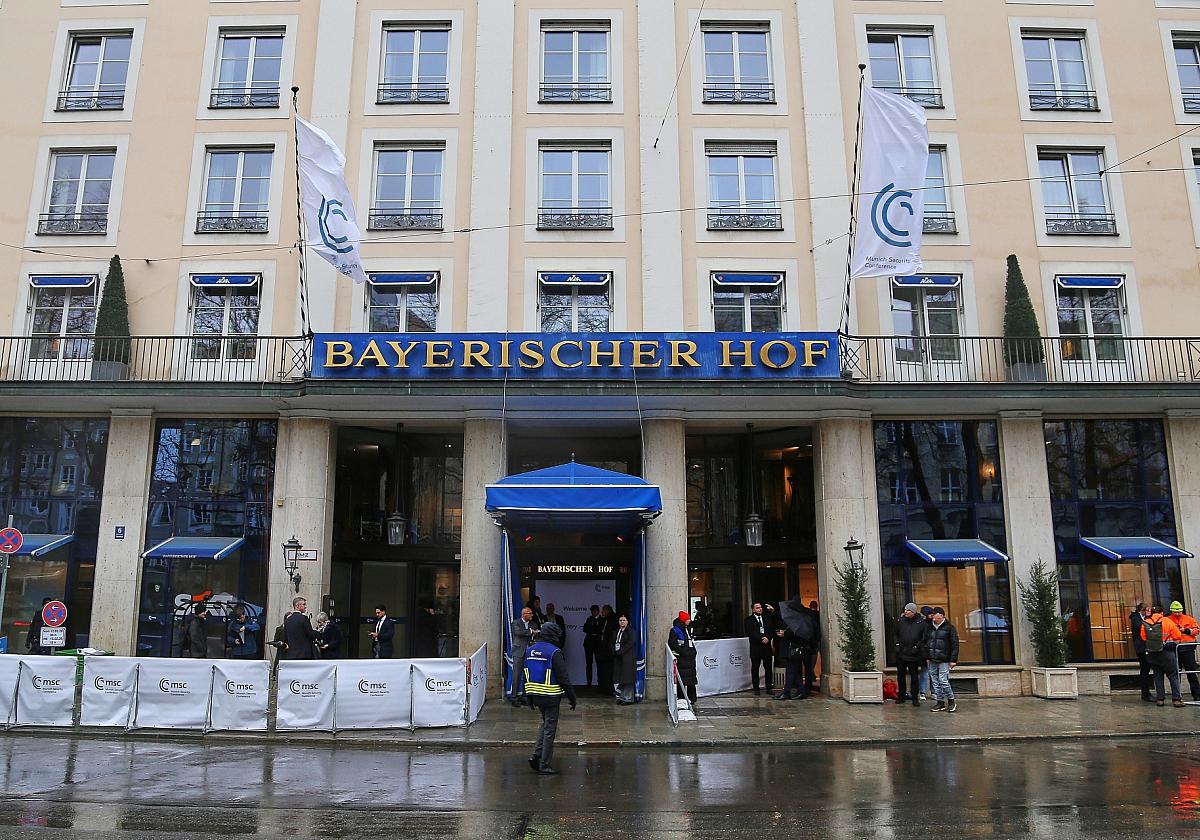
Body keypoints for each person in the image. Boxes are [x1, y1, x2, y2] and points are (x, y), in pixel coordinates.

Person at [524, 621, 576, 775]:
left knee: (545, 723)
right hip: (551, 696)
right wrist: (572, 697)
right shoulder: (555, 652)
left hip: (535, 694)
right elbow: (563, 677)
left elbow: (525, 673)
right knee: (550, 729)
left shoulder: (530, 650)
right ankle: (544, 764)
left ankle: (536, 755)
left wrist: (528, 697)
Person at [774, 599, 820, 701]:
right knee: (793, 671)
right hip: (793, 649)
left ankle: (787, 692)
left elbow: (799, 635)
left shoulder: (801, 620)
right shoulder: (795, 619)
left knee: (791, 671)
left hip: (795, 649)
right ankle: (800, 691)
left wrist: (785, 634)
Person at [1141, 604, 1185, 707]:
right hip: (1167, 652)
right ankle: (1176, 699)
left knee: (1157, 676)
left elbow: (1143, 637)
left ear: (1152, 613)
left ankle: (1160, 699)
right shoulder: (1167, 621)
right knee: (1173, 676)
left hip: (1152, 653)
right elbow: (1177, 636)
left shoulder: (1146, 622)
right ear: (1162, 613)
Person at [924, 607, 959, 712]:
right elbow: (926, 642)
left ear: (941, 615)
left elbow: (955, 644)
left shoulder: (949, 628)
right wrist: (927, 656)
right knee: (935, 682)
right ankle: (940, 702)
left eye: (934, 614)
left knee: (943, 681)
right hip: (932, 659)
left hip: (944, 659)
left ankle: (951, 701)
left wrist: (953, 660)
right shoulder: (929, 627)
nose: (932, 616)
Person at [895, 602, 928, 707]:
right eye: (905, 610)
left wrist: (917, 647)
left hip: (913, 654)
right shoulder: (900, 621)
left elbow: (924, 637)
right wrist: (897, 644)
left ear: (913, 612)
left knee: (914, 676)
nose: (906, 612)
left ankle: (914, 697)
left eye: (908, 610)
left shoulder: (921, 622)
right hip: (901, 653)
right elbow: (896, 634)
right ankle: (901, 695)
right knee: (900, 675)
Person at [1168, 601, 1200, 702]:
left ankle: (1197, 695)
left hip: (1188, 648)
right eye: (1175, 612)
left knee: (1191, 672)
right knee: (1176, 673)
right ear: (1171, 611)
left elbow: (1197, 630)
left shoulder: (1189, 619)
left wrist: (1186, 630)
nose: (1177, 614)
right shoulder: (1168, 620)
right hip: (1174, 649)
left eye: (1179, 612)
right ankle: (1177, 696)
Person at [668, 610, 698, 706]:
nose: (689, 620)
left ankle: (692, 698)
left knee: (691, 680)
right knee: (682, 680)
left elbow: (690, 642)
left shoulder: (687, 629)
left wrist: (693, 652)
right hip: (682, 658)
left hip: (689, 658)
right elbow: (673, 644)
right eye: (688, 619)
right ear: (683, 620)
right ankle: (682, 699)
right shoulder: (675, 631)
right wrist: (684, 653)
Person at [744, 602, 774, 696]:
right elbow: (750, 632)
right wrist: (761, 639)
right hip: (756, 647)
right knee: (755, 668)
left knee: (768, 668)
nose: (760, 609)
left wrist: (768, 638)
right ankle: (756, 688)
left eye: (760, 607)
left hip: (766, 647)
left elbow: (771, 630)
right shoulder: (748, 620)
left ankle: (769, 688)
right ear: (753, 610)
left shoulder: (767, 618)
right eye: (757, 608)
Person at [510, 606, 536, 705]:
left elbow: (536, 633)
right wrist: (530, 631)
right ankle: (514, 697)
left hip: (529, 652)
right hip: (518, 652)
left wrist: (534, 633)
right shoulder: (516, 623)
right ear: (524, 614)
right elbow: (519, 633)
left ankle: (525, 696)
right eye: (530, 613)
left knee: (527, 675)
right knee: (516, 675)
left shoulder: (533, 624)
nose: (532, 615)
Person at [1130, 602, 1154, 702]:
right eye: (1147, 610)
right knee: (1144, 670)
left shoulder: (1144, 618)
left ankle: (1147, 693)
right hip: (1141, 648)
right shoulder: (1136, 618)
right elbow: (1142, 628)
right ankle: (1145, 693)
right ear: (1142, 611)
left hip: (1148, 646)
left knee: (1147, 669)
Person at [613, 614, 636, 704]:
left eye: (624, 620)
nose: (622, 622)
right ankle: (621, 697)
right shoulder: (617, 631)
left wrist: (621, 651)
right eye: (620, 620)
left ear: (627, 621)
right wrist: (614, 651)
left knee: (628, 679)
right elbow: (612, 642)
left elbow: (630, 643)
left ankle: (628, 698)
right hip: (618, 658)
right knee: (620, 678)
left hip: (627, 657)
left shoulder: (630, 631)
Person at [582, 605, 604, 687]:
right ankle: (589, 682)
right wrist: (593, 630)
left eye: (594, 611)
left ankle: (600, 682)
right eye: (592, 611)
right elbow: (584, 629)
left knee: (599, 664)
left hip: (598, 644)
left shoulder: (602, 620)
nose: (593, 613)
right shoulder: (589, 619)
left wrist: (594, 630)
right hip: (589, 644)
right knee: (588, 664)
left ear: (598, 611)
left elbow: (600, 630)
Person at [596, 605, 616, 692]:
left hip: (609, 649)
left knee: (609, 669)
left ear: (608, 611)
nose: (602, 612)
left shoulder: (613, 620)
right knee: (603, 668)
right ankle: (603, 687)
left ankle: (609, 688)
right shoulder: (603, 620)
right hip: (602, 648)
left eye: (603, 611)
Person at [917, 606, 934, 701]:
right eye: (930, 614)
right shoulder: (923, 624)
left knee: (932, 673)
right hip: (925, 652)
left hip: (933, 652)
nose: (932, 615)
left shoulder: (934, 623)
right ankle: (923, 692)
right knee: (925, 672)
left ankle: (934, 692)